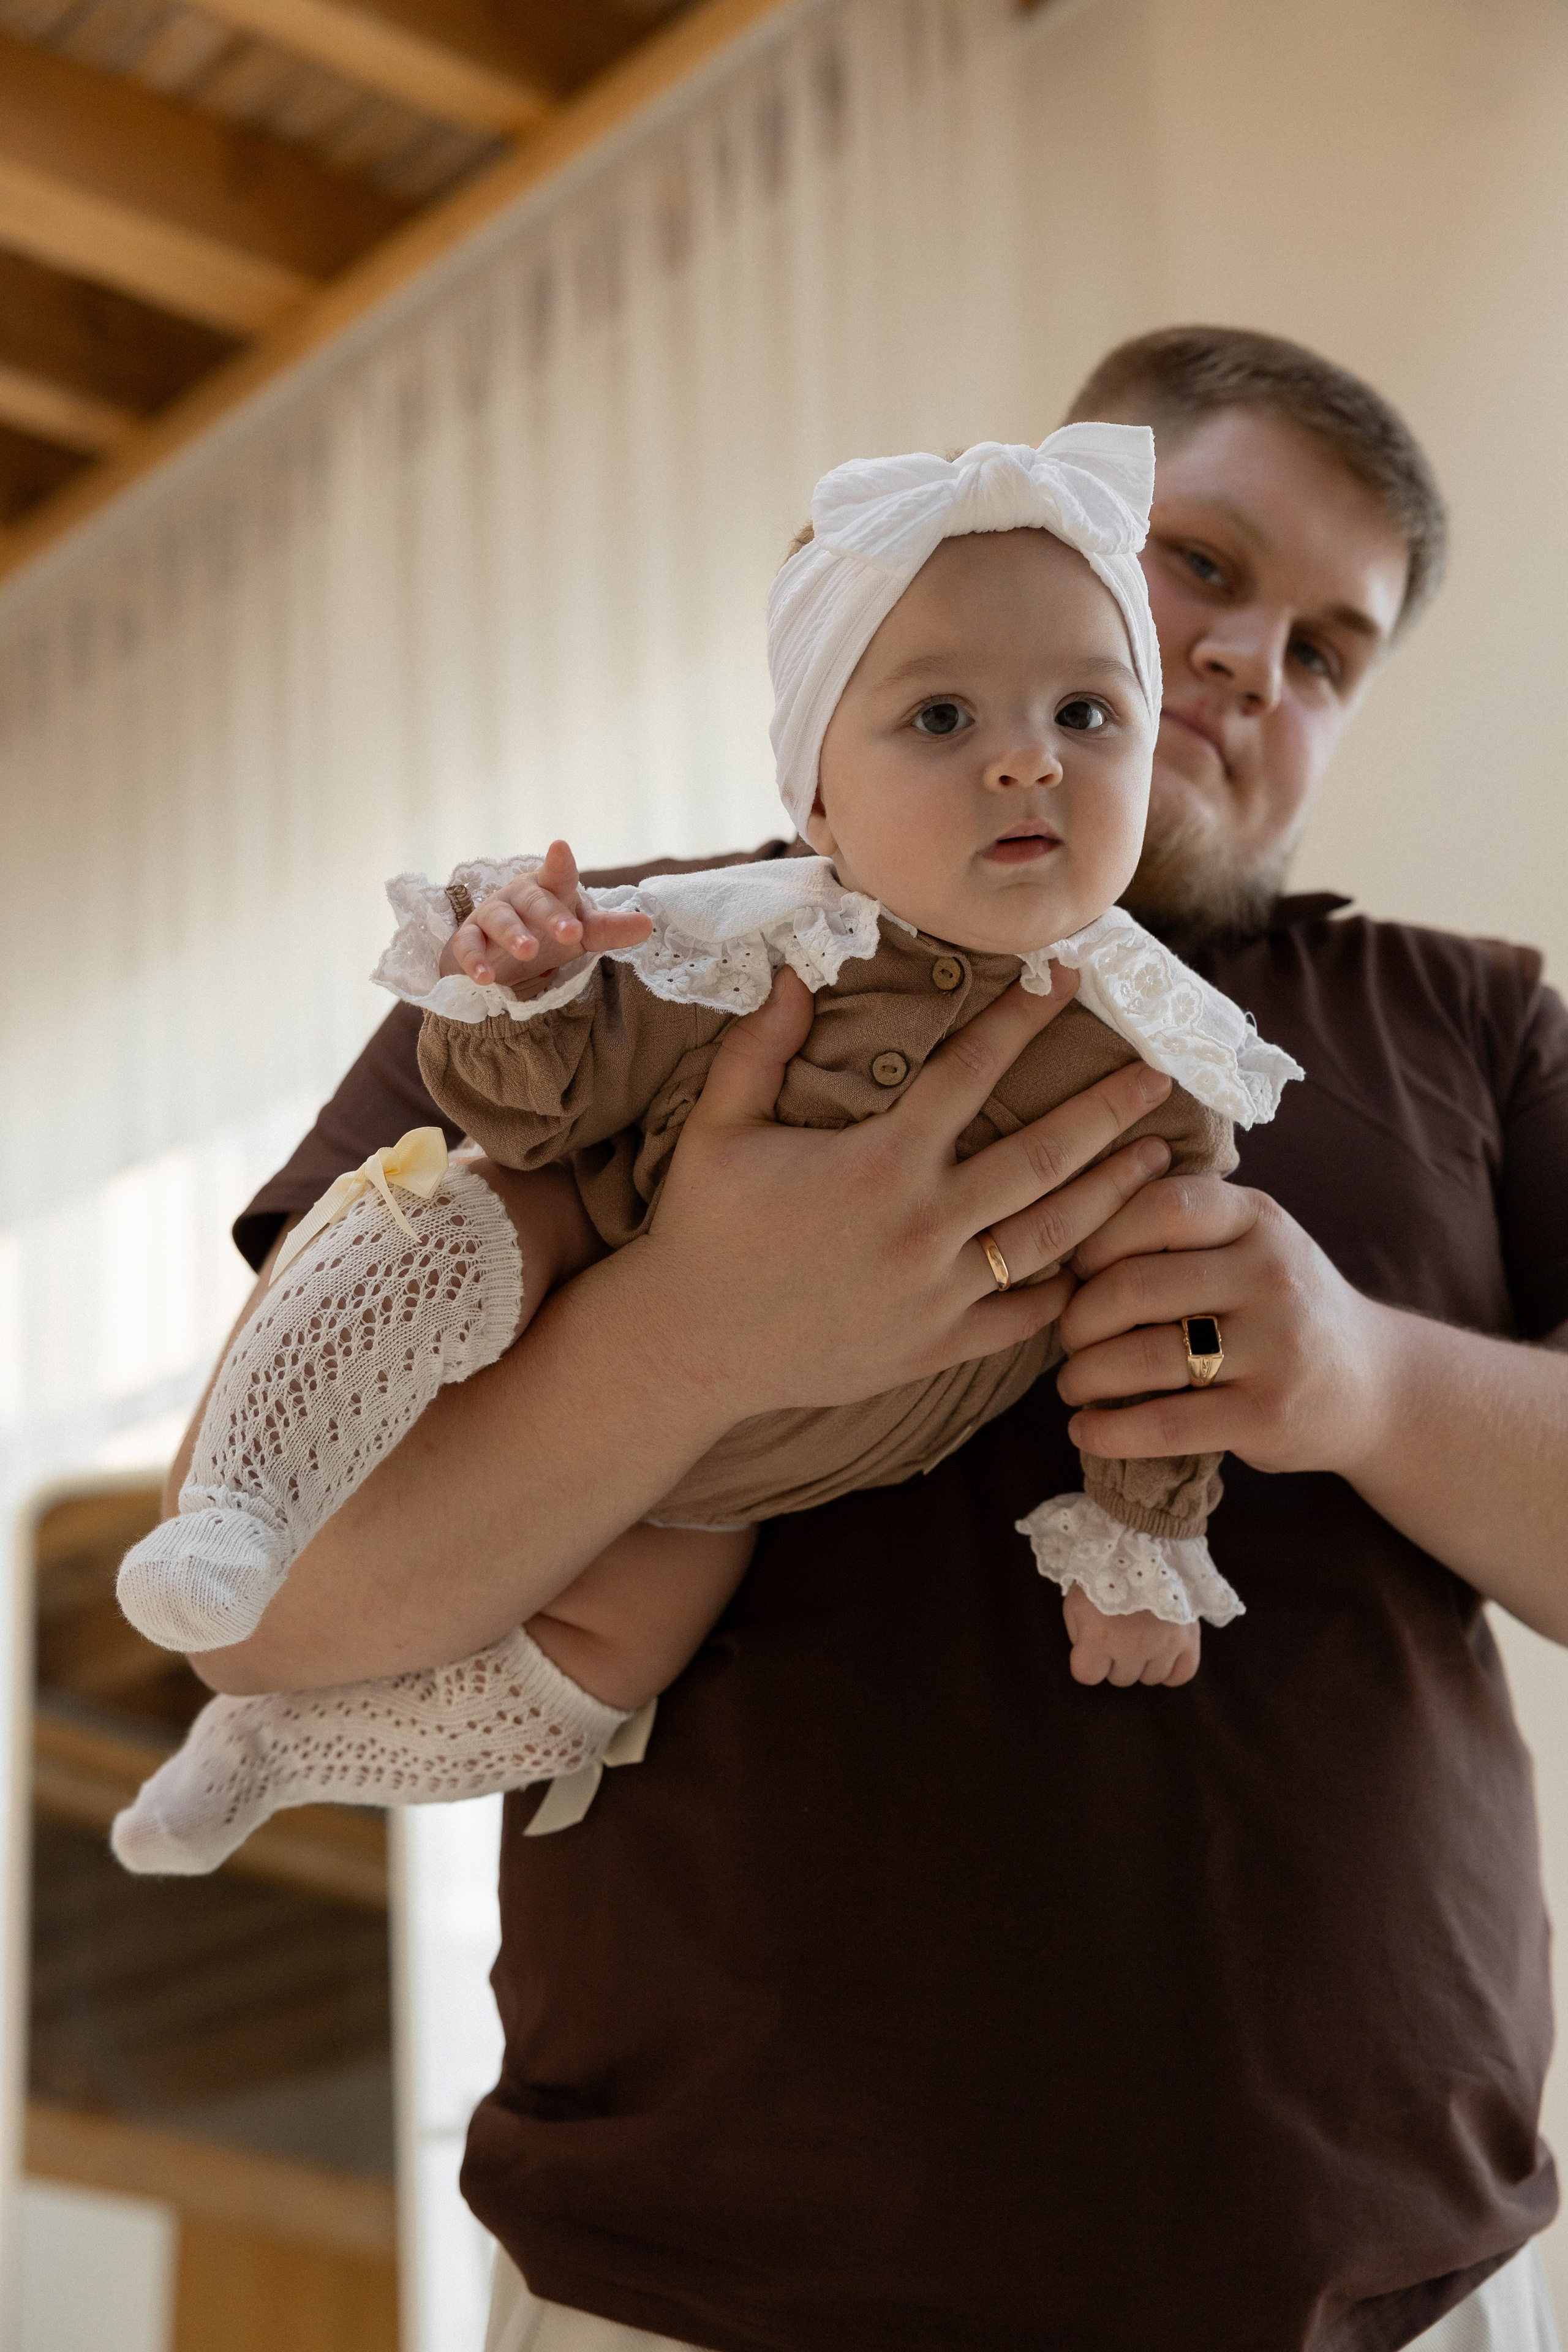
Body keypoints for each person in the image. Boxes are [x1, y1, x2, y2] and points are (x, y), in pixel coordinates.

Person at [175, 328, 1568, 2350]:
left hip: (1397, 2291)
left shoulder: (1470, 1031)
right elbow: (267, 1588)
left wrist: (1368, 1378)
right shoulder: (599, 974)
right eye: (1206, 567)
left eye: (1331, 649)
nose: (1259, 659)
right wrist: (702, 1337)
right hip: (696, 2285)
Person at [113, 424, 1306, 1877]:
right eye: (941, 721)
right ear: (815, 801)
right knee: (468, 1207)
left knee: (609, 1657)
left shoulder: (1164, 1063)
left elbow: (1157, 1325)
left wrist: (1142, 1541)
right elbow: (533, 1106)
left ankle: (276, 1756)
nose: (1022, 764)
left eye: (1083, 714)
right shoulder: (735, 936)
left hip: (729, 1492)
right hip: (581, 1289)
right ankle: (245, 1502)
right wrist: (529, 988)